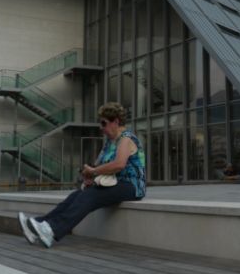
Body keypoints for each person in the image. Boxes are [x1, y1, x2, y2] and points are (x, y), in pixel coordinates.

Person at [18, 102, 146, 248]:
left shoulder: (126, 138)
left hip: (131, 186)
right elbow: (99, 166)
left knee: (89, 196)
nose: (101, 128)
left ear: (116, 121)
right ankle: (41, 223)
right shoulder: (110, 143)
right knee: (76, 195)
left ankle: (51, 231)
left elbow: (119, 164)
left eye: (104, 123)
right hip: (114, 183)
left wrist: (94, 171)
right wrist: (89, 174)